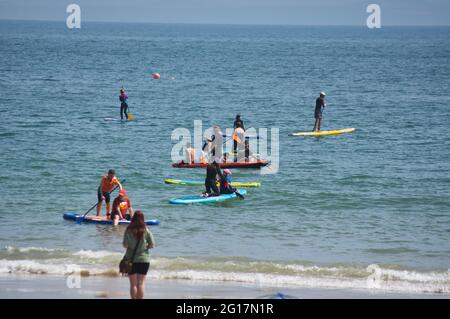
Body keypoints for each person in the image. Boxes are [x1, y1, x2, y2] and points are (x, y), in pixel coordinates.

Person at [122, 210, 155, 299]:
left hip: (131, 260)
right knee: (141, 283)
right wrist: (144, 247)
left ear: (133, 218)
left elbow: (125, 245)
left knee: (133, 284)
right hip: (144, 259)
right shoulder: (146, 230)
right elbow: (152, 245)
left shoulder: (128, 230)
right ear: (142, 219)